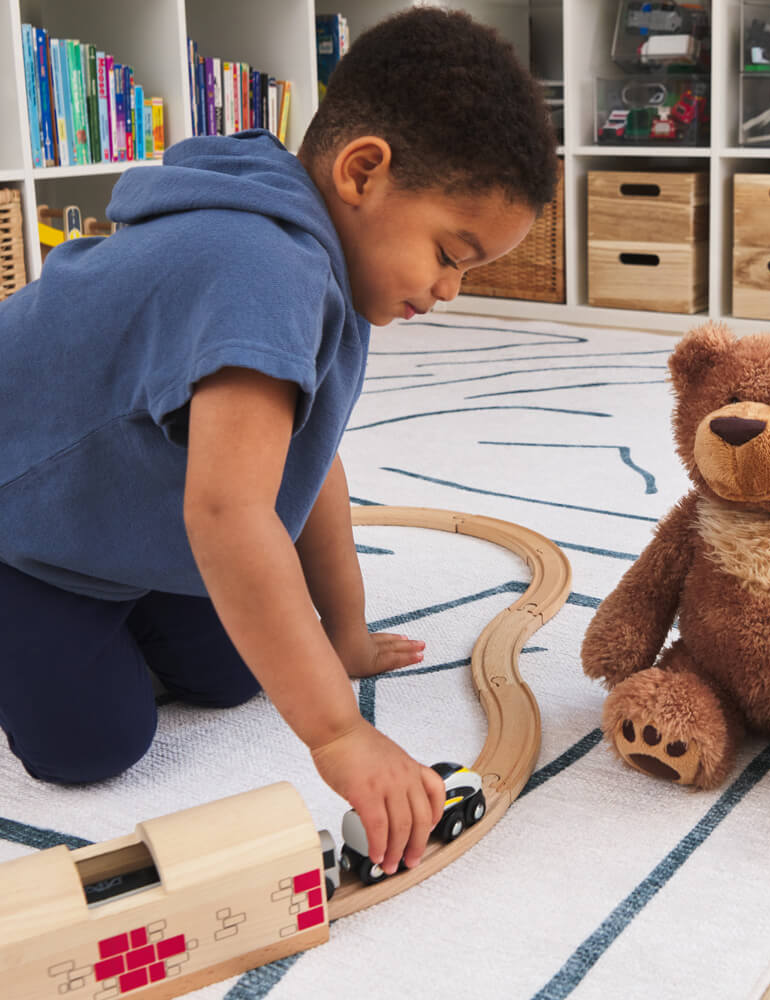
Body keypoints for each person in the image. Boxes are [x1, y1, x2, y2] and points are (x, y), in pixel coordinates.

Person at [0, 7, 557, 878]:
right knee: (89, 747)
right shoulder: (263, 266)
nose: (449, 289)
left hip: (127, 515)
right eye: (451, 253)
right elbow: (228, 514)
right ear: (363, 171)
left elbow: (308, 457)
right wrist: (339, 734)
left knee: (234, 673)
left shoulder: (336, 259)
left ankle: (131, 605)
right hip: (27, 530)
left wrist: (347, 633)